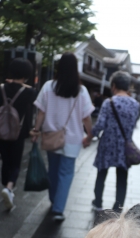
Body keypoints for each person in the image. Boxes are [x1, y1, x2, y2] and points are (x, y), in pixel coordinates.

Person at [31, 52, 94, 221]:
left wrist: (36, 130)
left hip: (52, 136)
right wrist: (89, 135)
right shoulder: (81, 91)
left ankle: (54, 200)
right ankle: (58, 209)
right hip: (73, 139)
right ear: (75, 69)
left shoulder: (48, 87)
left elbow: (41, 112)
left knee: (53, 171)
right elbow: (86, 117)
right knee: (66, 173)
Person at [83, 70, 140, 213]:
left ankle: (98, 203)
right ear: (127, 86)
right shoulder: (135, 104)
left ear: (113, 85)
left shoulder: (109, 103)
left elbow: (100, 124)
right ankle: (118, 207)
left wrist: (88, 137)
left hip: (107, 144)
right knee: (122, 177)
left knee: (101, 174)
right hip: (124, 146)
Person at [0, 58, 37, 210]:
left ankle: (5, 187)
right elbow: (37, 102)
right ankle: (9, 188)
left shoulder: (1, 88)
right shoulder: (29, 92)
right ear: (27, 74)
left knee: (6, 161)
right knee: (15, 163)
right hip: (17, 133)